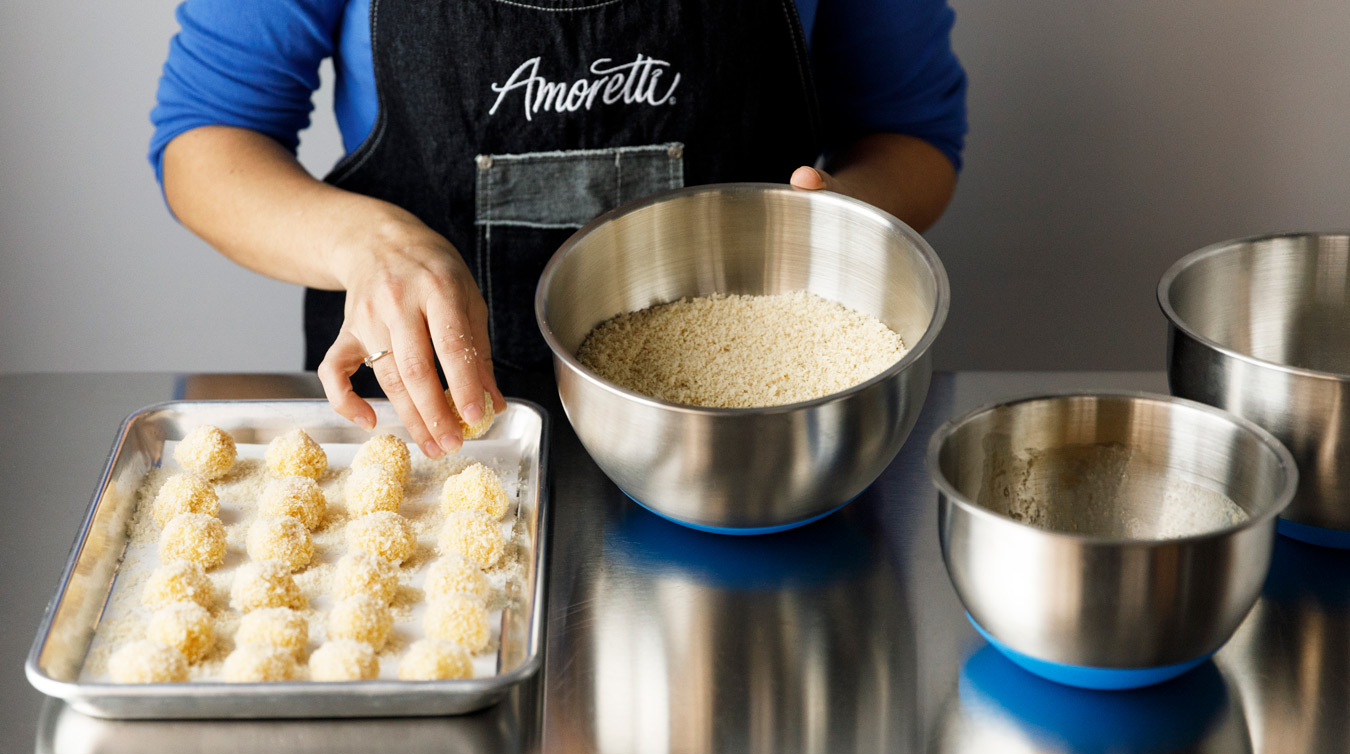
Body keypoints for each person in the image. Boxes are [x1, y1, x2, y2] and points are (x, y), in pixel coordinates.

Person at [150, 0, 967, 460]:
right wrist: (373, 246)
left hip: (757, 449)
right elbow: (208, 141)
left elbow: (911, 136)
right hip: (427, 433)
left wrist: (834, 223)